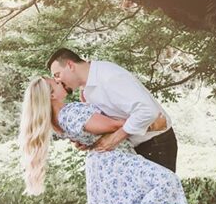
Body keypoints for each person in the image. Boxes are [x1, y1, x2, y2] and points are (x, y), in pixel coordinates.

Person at [17, 76, 191, 204]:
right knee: (165, 181)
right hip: (113, 160)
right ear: (52, 95)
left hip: (103, 166)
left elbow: (90, 130)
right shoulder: (70, 113)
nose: (60, 82)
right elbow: (116, 125)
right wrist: (153, 125)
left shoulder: (58, 119)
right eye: (56, 83)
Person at [46, 48, 178, 172]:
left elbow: (148, 110)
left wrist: (116, 138)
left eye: (57, 75)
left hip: (155, 145)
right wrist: (89, 140)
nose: (58, 81)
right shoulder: (86, 91)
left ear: (70, 65)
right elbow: (107, 123)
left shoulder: (109, 77)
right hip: (134, 149)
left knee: (163, 194)